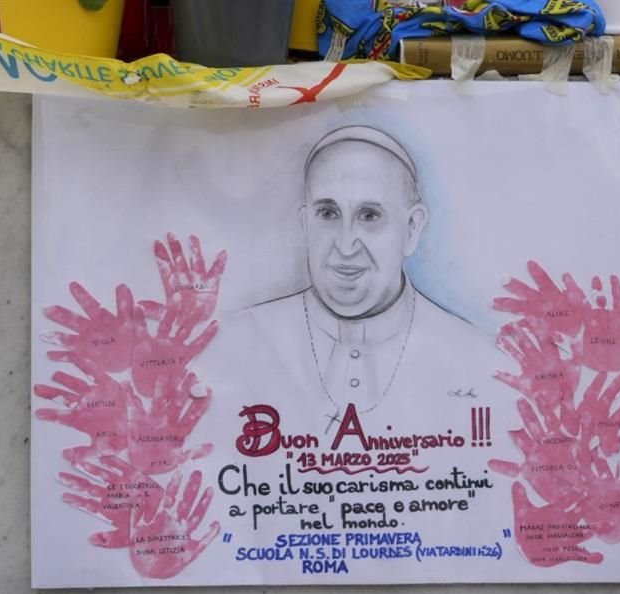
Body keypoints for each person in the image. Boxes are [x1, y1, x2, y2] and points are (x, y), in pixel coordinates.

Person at [201, 125, 505, 434]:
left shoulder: (485, 363)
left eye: (369, 216)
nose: (346, 246)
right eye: (328, 214)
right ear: (306, 224)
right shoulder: (226, 348)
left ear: (412, 228)